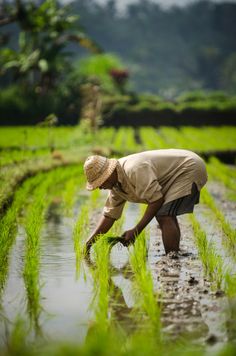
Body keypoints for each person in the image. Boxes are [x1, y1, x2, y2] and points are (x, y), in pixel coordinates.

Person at [84, 149, 208, 254]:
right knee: (165, 214)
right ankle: (174, 254)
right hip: (179, 171)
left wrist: (136, 230)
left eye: (100, 182)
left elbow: (156, 200)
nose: (100, 187)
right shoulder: (115, 185)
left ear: (108, 174)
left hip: (188, 168)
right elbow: (109, 216)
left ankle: (172, 258)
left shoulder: (134, 169)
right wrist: (88, 244)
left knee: (164, 214)